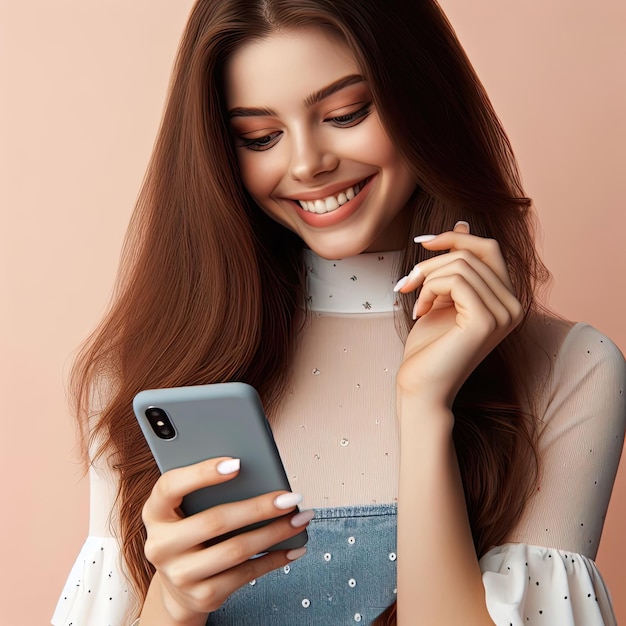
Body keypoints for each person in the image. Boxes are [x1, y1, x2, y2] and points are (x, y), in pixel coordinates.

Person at [52, 0, 626, 625]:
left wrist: (424, 408)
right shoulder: (141, 372)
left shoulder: (572, 371)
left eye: (345, 113)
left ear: (423, 97)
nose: (306, 164)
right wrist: (174, 600)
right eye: (259, 137)